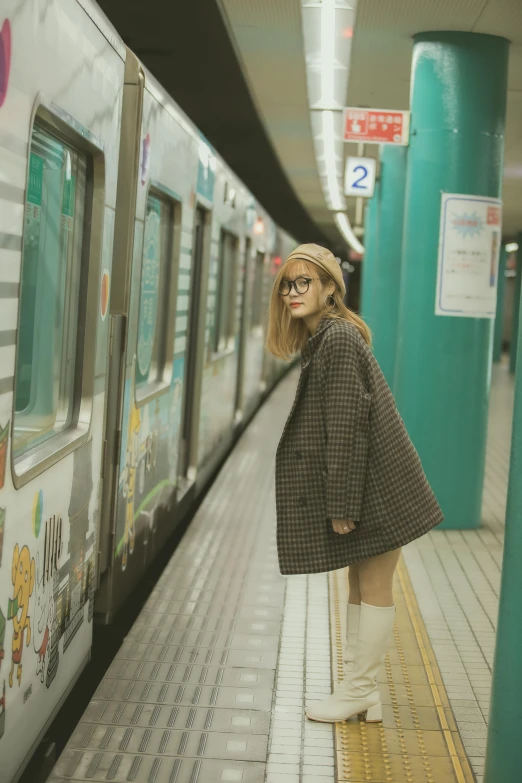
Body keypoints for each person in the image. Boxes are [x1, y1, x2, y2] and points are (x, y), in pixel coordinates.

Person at [266, 243, 443, 724]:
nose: (293, 292)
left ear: (329, 289)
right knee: (360, 581)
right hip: (374, 483)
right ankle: (359, 689)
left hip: (376, 488)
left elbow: (347, 424)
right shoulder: (325, 338)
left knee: (374, 583)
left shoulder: (338, 339)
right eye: (287, 283)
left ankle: (360, 690)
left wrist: (341, 503)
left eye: (305, 282)